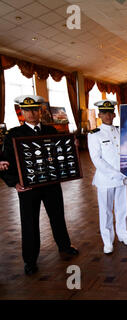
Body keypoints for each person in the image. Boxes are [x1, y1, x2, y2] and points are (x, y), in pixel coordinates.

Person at [1, 95, 79, 275]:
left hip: (51, 184)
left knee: (58, 216)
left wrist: (72, 145)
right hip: (28, 188)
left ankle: (64, 246)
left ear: (40, 111)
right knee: (29, 223)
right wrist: (15, 184)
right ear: (22, 112)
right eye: (27, 110)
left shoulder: (50, 129)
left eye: (35, 109)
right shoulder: (13, 134)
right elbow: (5, 162)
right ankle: (30, 260)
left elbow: (64, 151)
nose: (31, 113)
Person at [88, 99, 127, 255]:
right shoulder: (94, 134)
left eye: (110, 112)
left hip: (122, 177)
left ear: (114, 114)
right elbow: (96, 159)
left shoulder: (121, 132)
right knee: (106, 211)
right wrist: (116, 174)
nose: (107, 115)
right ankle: (107, 241)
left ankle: (123, 234)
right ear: (99, 115)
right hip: (106, 179)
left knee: (122, 209)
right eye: (104, 113)